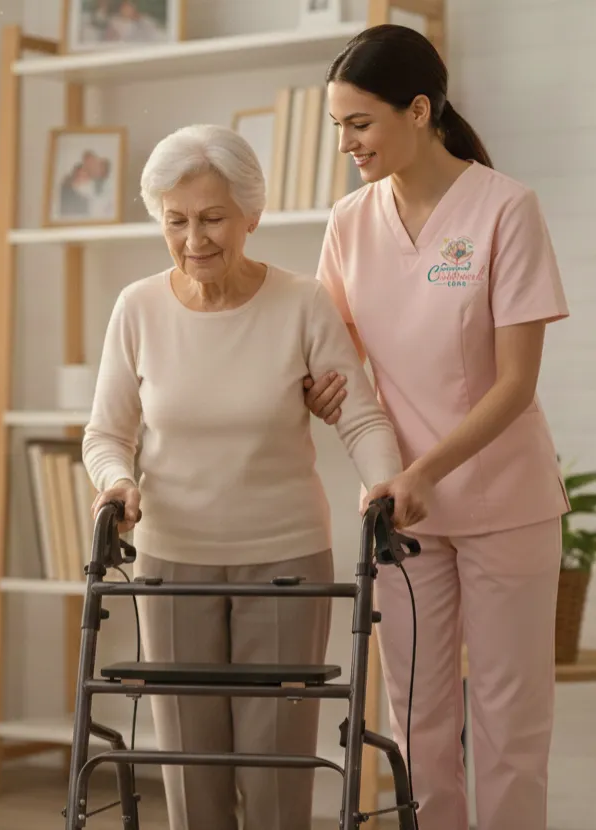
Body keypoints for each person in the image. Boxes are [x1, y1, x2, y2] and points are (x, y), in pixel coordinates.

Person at [82, 123, 428, 830]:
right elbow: (106, 434)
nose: (194, 239)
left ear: (251, 215)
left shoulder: (301, 303)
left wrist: (384, 483)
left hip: (286, 561)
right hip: (172, 559)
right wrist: (118, 481)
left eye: (212, 218)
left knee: (277, 764)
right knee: (189, 763)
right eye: (175, 221)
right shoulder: (138, 308)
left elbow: (359, 417)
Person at [303, 23, 570, 830]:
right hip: (403, 511)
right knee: (417, 719)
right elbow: (331, 358)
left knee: (506, 720)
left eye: (361, 123)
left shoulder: (505, 208)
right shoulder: (349, 221)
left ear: (419, 110)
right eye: (337, 127)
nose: (347, 143)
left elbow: (516, 385)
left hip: (504, 501)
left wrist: (424, 471)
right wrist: (325, 395)